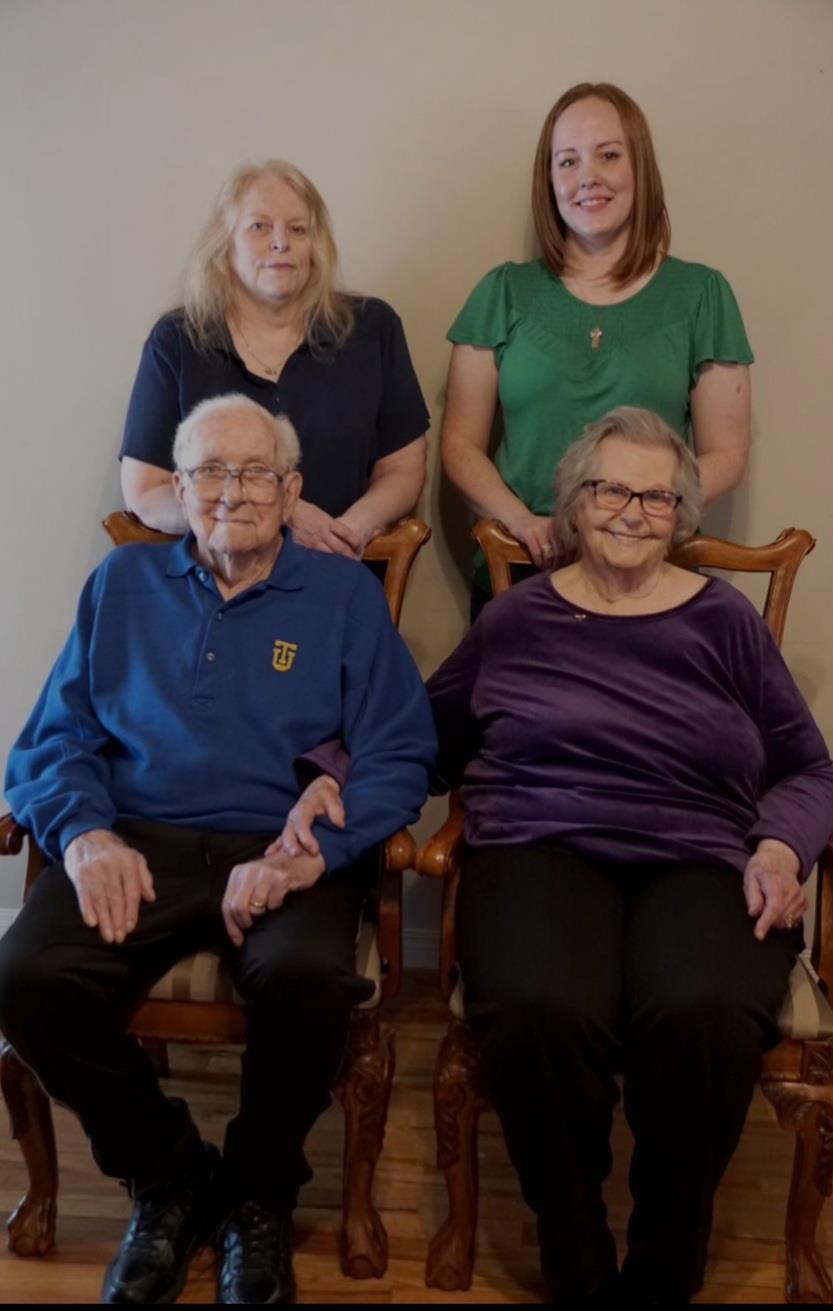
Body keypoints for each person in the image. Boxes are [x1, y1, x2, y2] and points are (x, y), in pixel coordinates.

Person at [282, 407, 833, 1304]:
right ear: (574, 502)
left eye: (657, 495)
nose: (631, 509)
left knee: (702, 1010)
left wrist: (778, 842)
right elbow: (420, 732)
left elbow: (808, 766)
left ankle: (665, 1257)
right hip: (538, 839)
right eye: (611, 487)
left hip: (699, 850)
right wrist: (332, 775)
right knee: (541, 1006)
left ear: (682, 512)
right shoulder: (519, 618)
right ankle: (573, 1247)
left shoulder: (724, 624)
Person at [0, 395, 436, 1305]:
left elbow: (400, 747)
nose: (228, 493)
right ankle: (169, 1177)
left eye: (252, 474)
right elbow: (51, 741)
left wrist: (317, 848)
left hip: (279, 842)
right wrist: (83, 835)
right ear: (179, 486)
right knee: (24, 977)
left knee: (309, 977)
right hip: (139, 839)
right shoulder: (121, 585)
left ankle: (259, 1194)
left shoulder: (344, 596)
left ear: (291, 490)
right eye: (207, 472)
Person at [441, 82, 753, 615]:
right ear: (549, 180)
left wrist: (635, 520)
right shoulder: (502, 292)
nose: (588, 177)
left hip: (652, 574)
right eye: (567, 161)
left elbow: (726, 453)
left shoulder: (702, 294)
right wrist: (522, 524)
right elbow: (460, 445)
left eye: (609, 155)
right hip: (521, 568)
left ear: (641, 169)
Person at [120, 159, 429, 555]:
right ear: (224, 245)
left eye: (297, 229)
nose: (280, 242)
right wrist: (282, 513)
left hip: (336, 572)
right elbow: (147, 492)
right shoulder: (177, 341)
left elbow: (402, 470)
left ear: (316, 247)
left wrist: (348, 531)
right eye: (259, 227)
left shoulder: (373, 329)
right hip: (208, 581)